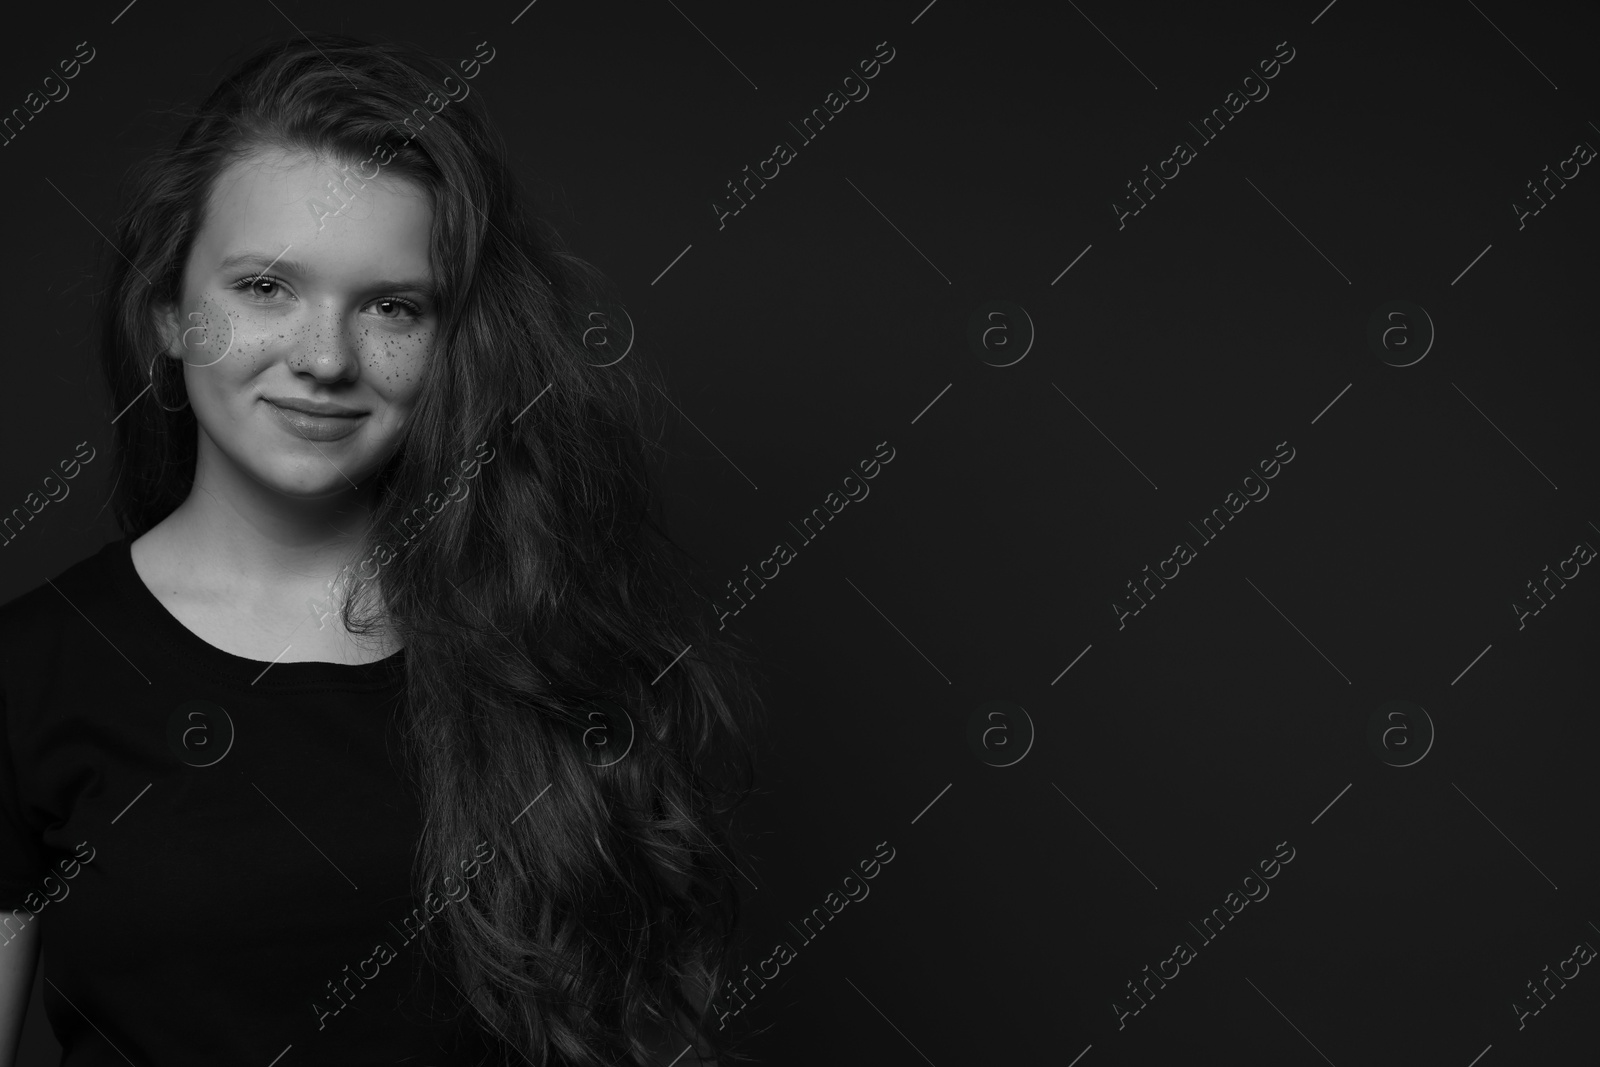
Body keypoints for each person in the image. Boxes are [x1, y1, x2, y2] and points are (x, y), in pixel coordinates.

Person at [0, 33, 761, 1067]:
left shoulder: (550, 645)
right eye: (265, 287)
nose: (324, 357)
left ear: (453, 343)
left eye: (393, 306)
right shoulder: (28, 674)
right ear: (170, 314)